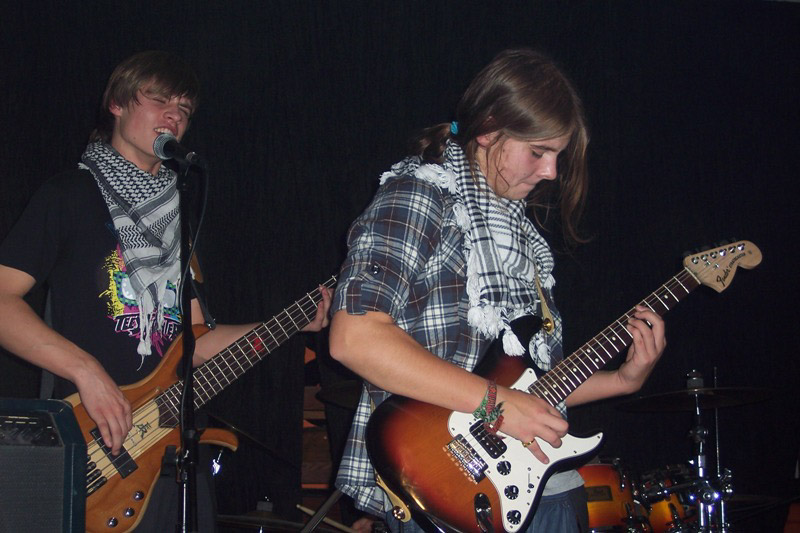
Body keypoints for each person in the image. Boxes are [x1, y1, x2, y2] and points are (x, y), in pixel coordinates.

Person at [328, 49, 666, 532]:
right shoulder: (419, 194)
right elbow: (354, 338)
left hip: (543, 487)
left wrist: (623, 380)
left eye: (558, 155)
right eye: (539, 152)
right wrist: (495, 404)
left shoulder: (517, 234)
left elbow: (532, 389)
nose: (551, 172)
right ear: (488, 130)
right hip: (452, 490)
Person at [0, 50, 331, 531]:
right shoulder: (68, 195)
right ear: (117, 103)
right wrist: (86, 371)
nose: (174, 116)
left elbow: (196, 342)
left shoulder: (176, 216)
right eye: (159, 100)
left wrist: (291, 323)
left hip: (170, 448)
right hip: (92, 434)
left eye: (185, 109)